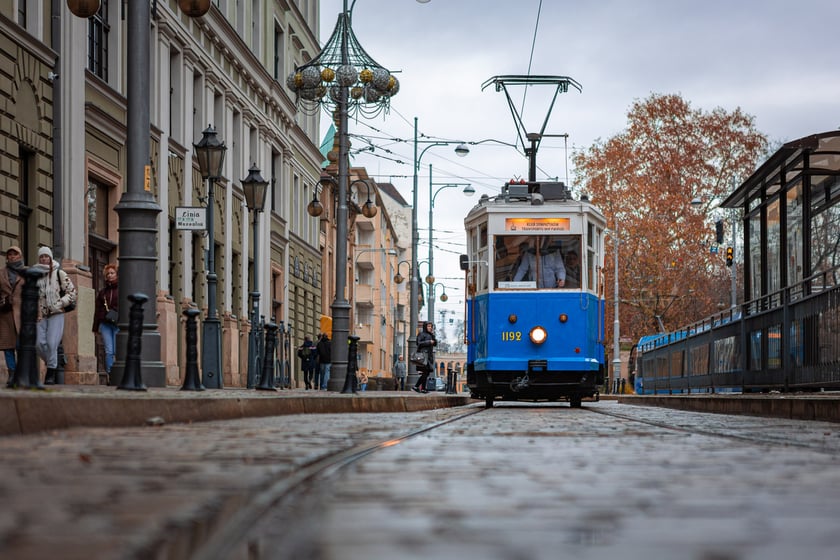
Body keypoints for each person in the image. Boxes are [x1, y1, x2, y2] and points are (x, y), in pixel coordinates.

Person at [35, 246, 77, 385]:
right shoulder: (35, 274)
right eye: (41, 256)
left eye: (46, 256)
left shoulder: (59, 273)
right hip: (40, 314)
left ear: (50, 258)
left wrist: (60, 303)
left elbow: (72, 293)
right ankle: (52, 362)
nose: (44, 259)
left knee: (52, 343)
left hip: (56, 314)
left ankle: (50, 373)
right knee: (38, 343)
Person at [0, 246, 25, 387]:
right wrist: (2, 301)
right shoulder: (1, 273)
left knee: (21, 345)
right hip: (5, 314)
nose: (12, 256)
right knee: (8, 346)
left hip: (22, 314)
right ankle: (12, 374)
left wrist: (37, 314)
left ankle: (20, 373)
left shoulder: (26, 272)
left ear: (20, 256)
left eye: (14, 254)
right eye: (9, 254)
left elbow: (35, 295)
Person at [93, 264, 119, 384]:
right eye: (108, 274)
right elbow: (97, 310)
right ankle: (111, 374)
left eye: (112, 273)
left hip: (118, 324)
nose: (110, 275)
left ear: (116, 274)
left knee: (117, 350)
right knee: (109, 351)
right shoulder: (102, 292)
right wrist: (95, 327)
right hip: (105, 324)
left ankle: (119, 373)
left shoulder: (122, 290)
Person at [412, 321, 436, 393]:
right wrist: (429, 342)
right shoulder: (421, 334)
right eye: (428, 326)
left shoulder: (431, 335)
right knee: (425, 372)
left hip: (429, 356)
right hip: (423, 356)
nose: (430, 328)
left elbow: (435, 343)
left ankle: (420, 388)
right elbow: (418, 343)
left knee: (426, 373)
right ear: (425, 327)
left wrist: (433, 336)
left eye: (431, 326)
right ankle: (419, 387)